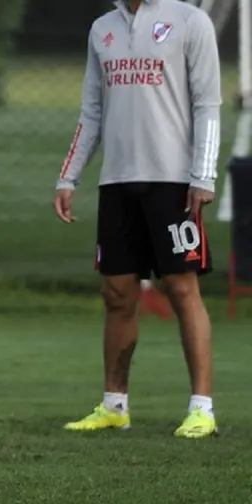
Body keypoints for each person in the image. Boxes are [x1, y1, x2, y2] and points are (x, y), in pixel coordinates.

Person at [56, 0, 221, 438]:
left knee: (182, 287)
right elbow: (92, 111)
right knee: (117, 292)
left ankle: (201, 408)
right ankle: (115, 404)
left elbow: (208, 105)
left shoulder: (190, 21)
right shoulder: (102, 29)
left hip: (173, 182)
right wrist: (68, 177)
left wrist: (203, 176)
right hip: (118, 181)